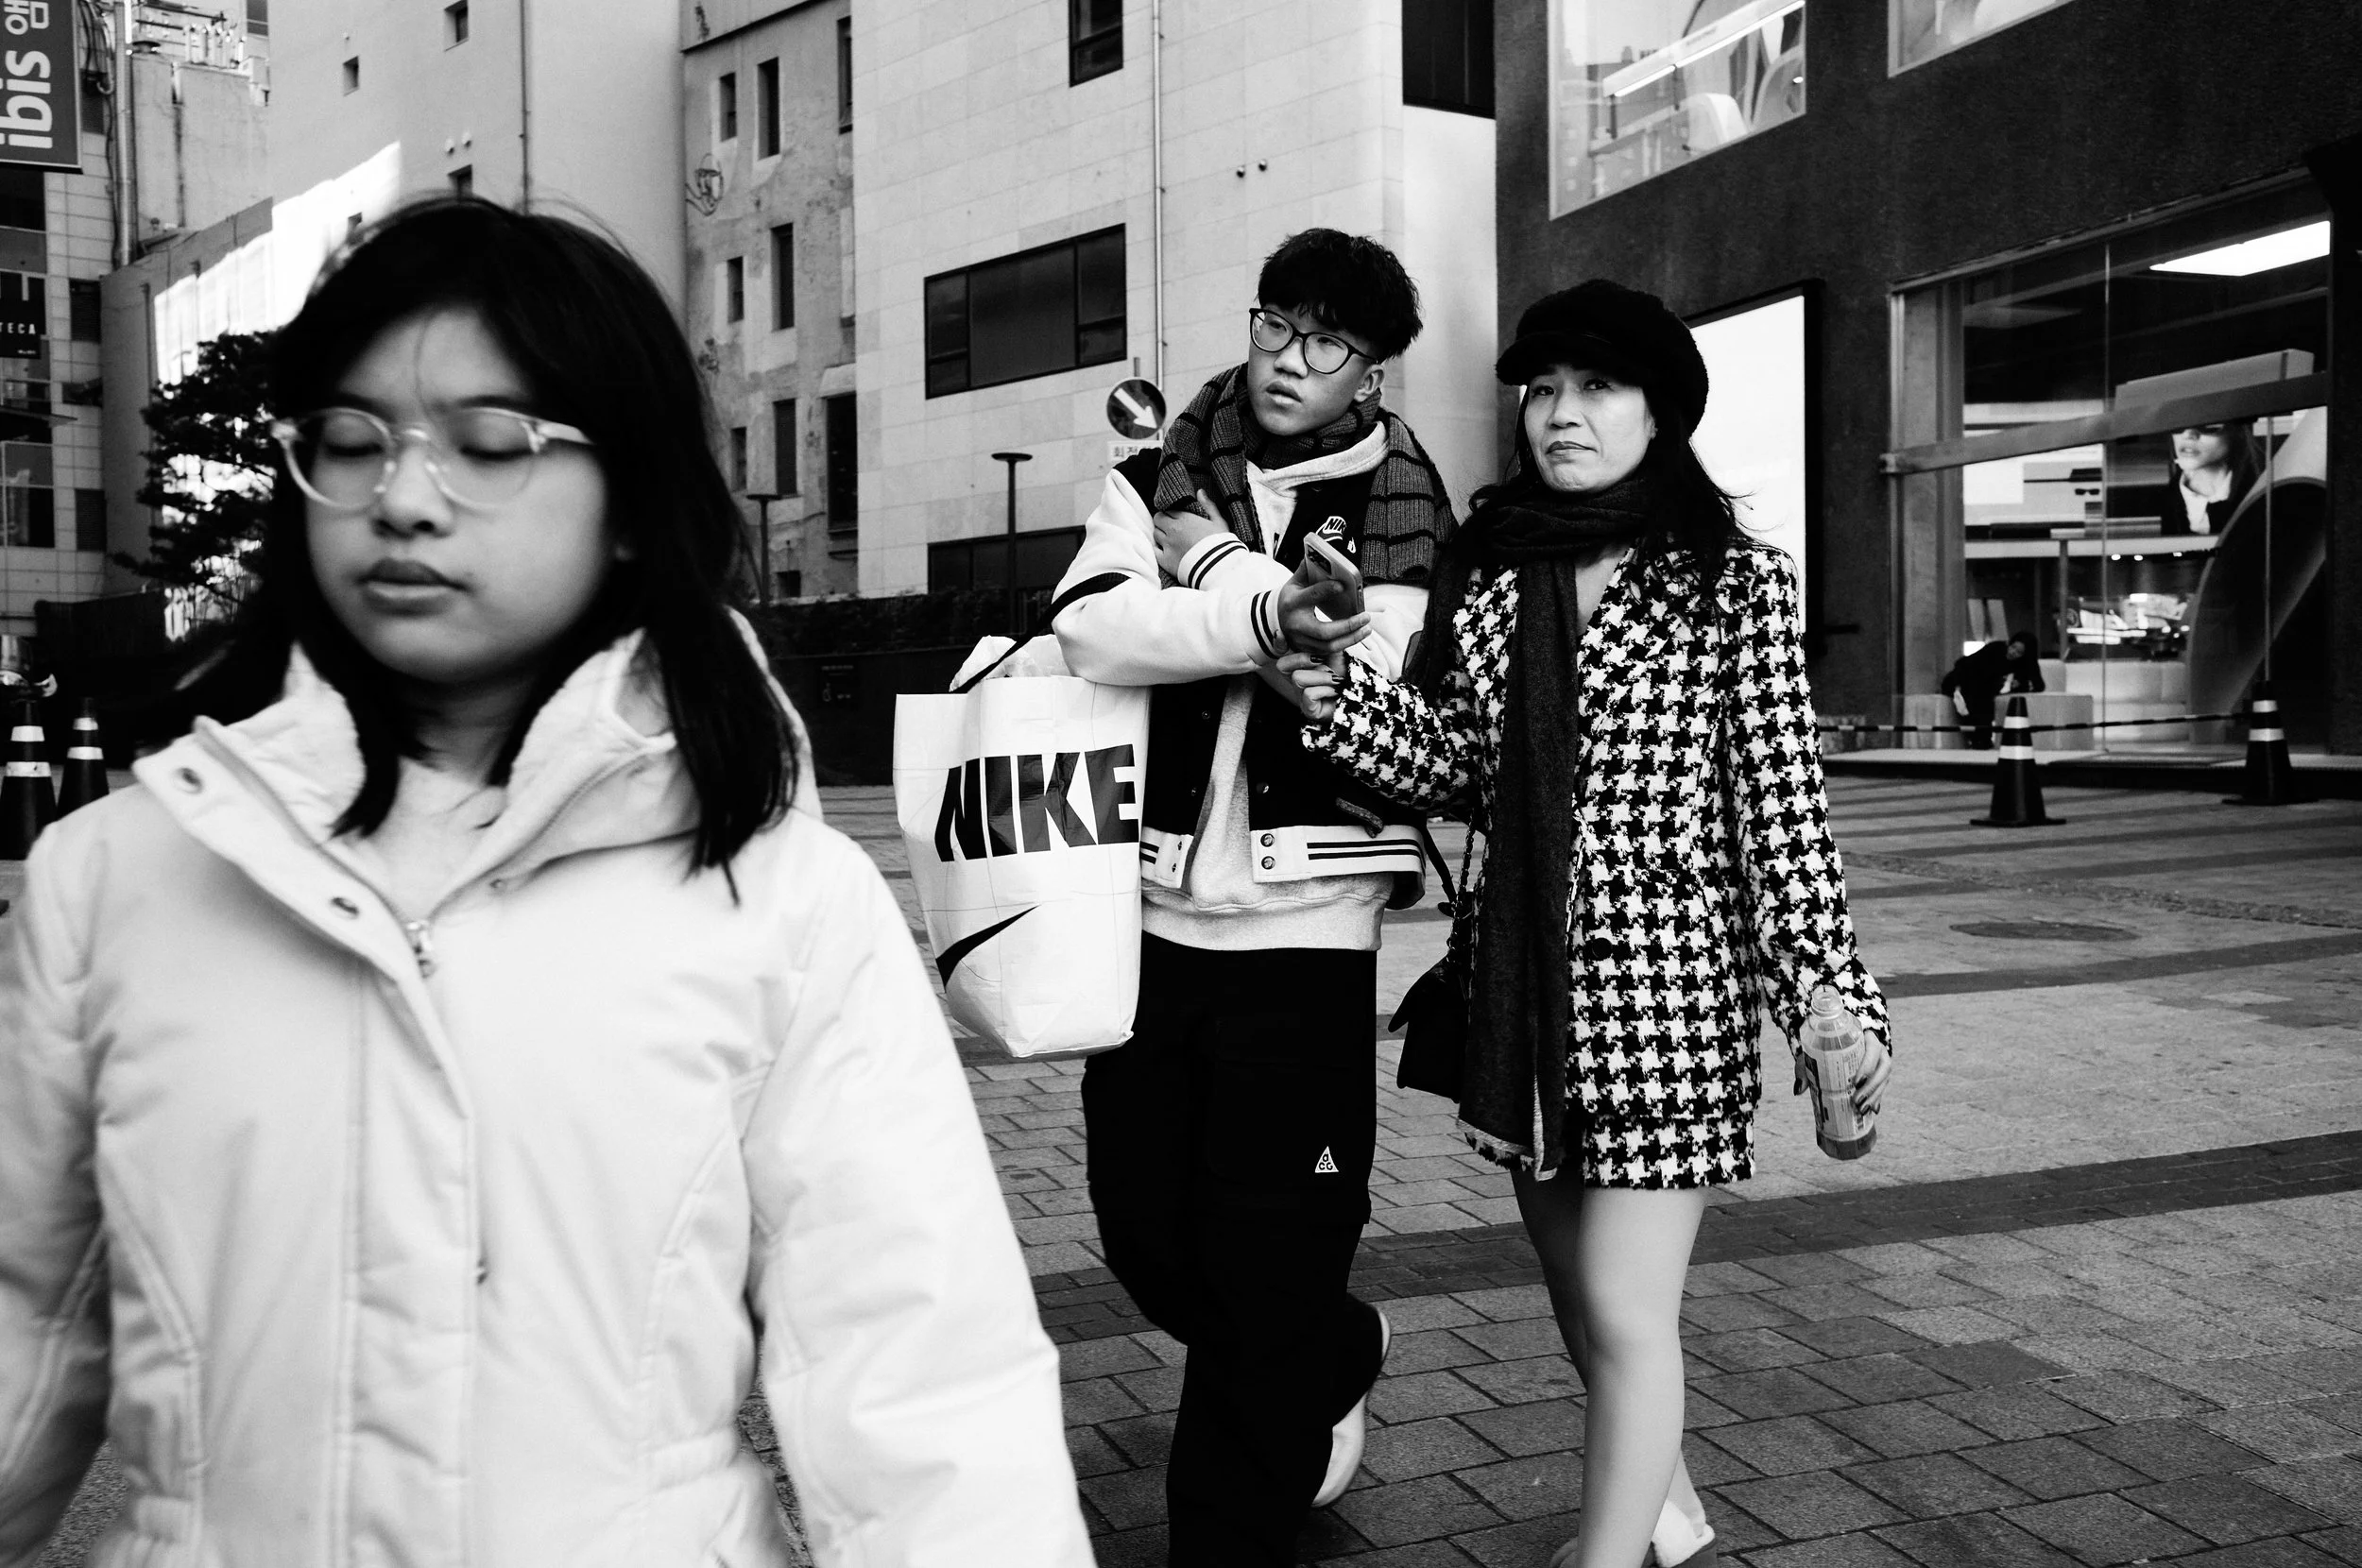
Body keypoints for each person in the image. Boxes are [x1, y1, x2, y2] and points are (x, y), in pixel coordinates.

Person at [0, 200, 1093, 1568]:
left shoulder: (786, 903)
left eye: (489, 443)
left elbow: (927, 1390)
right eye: (350, 440)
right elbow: (27, 1321)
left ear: (631, 501)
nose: (403, 497)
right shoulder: (114, 880)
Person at [1286, 281, 1891, 1568]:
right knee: (1581, 1298)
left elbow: (1778, 810)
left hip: (1664, 1002)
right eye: (1544, 388)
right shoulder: (1498, 574)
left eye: (1597, 388)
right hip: (1522, 997)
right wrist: (1332, 692)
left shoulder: (1732, 584)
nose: (1561, 413)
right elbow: (1459, 762)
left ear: (1660, 413)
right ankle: (1666, 1510)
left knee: (1622, 1307)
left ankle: (1608, 1557)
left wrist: (1828, 999)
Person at [1051, 228, 1455, 1565]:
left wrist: (1222, 588)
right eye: (1276, 322)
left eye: (1327, 341)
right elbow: (1093, 628)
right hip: (1152, 913)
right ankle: (1330, 1351)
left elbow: (1372, 687)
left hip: (1309, 930)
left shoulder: (1405, 502)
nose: (1289, 358)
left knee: (1273, 1251)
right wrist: (1268, 620)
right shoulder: (1157, 472)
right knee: (1143, 1231)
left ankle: (1234, 1524)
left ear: (1372, 371)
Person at [1941, 632, 2045, 748]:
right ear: (2009, 644)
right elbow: (1968, 667)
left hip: (1983, 687)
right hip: (1963, 679)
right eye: (2013, 647)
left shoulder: (2024, 663)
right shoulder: (1995, 649)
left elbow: (2038, 685)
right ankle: (1979, 739)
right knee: (1980, 705)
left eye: (2019, 652)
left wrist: (2019, 685)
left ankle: (1981, 739)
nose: (2013, 652)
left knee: (1984, 705)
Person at [2167, 420, 2261, 536]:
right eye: (2178, 421)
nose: (2188, 434)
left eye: (2206, 423)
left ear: (2237, 431)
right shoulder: (2166, 500)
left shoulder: (2263, 494)